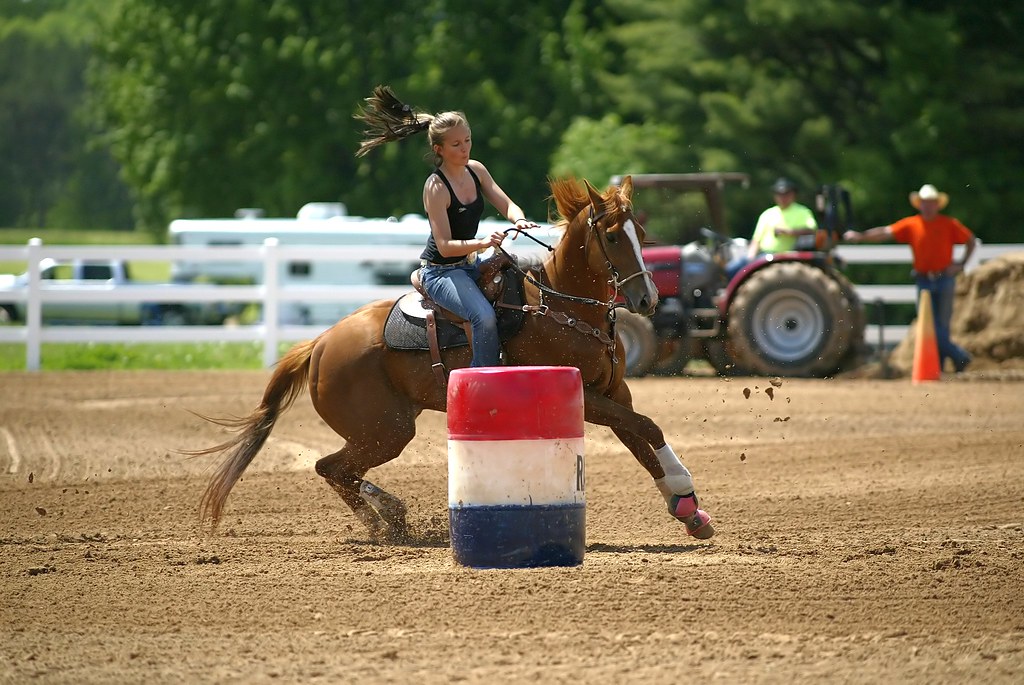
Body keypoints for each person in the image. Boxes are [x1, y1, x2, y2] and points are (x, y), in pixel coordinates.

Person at [355, 85, 539, 367]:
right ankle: (481, 382)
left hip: (470, 265)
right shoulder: (436, 187)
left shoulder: (477, 170)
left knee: (521, 288)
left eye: (467, 140)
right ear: (438, 149)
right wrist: (483, 242)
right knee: (484, 316)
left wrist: (520, 219)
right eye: (456, 144)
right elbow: (444, 246)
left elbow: (506, 204)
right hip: (440, 273)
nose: (464, 148)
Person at [843, 183, 976, 373]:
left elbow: (970, 240)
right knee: (931, 324)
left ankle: (947, 362)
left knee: (941, 325)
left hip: (944, 278)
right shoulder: (911, 224)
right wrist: (861, 236)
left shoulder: (949, 224)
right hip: (924, 279)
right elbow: (885, 232)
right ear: (919, 205)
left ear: (937, 205)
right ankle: (956, 358)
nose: (927, 206)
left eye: (930, 202)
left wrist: (960, 264)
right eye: (924, 202)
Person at [726, 177, 818, 279]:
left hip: (785, 256)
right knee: (731, 269)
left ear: (793, 194)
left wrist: (789, 232)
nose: (782, 197)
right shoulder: (767, 214)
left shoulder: (803, 212)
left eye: (786, 193)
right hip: (764, 255)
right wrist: (750, 257)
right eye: (779, 194)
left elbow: (812, 230)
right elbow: (756, 240)